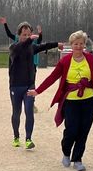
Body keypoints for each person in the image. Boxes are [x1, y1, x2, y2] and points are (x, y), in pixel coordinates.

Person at [29, 30, 93, 170]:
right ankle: (66, 152)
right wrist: (38, 91)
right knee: (71, 130)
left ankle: (77, 159)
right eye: (76, 44)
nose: (79, 46)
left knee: (84, 131)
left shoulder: (90, 59)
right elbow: (52, 77)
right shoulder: (65, 61)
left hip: (89, 100)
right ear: (71, 45)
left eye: (81, 43)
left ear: (84, 45)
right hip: (71, 101)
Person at [6, 21, 61, 149]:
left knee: (29, 111)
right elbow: (20, 48)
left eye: (28, 35)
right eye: (24, 35)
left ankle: (28, 139)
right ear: (18, 35)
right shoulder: (13, 48)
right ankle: (16, 137)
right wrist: (29, 40)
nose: (26, 37)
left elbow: (43, 46)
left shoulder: (32, 47)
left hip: (29, 86)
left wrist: (57, 44)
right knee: (16, 112)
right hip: (15, 86)